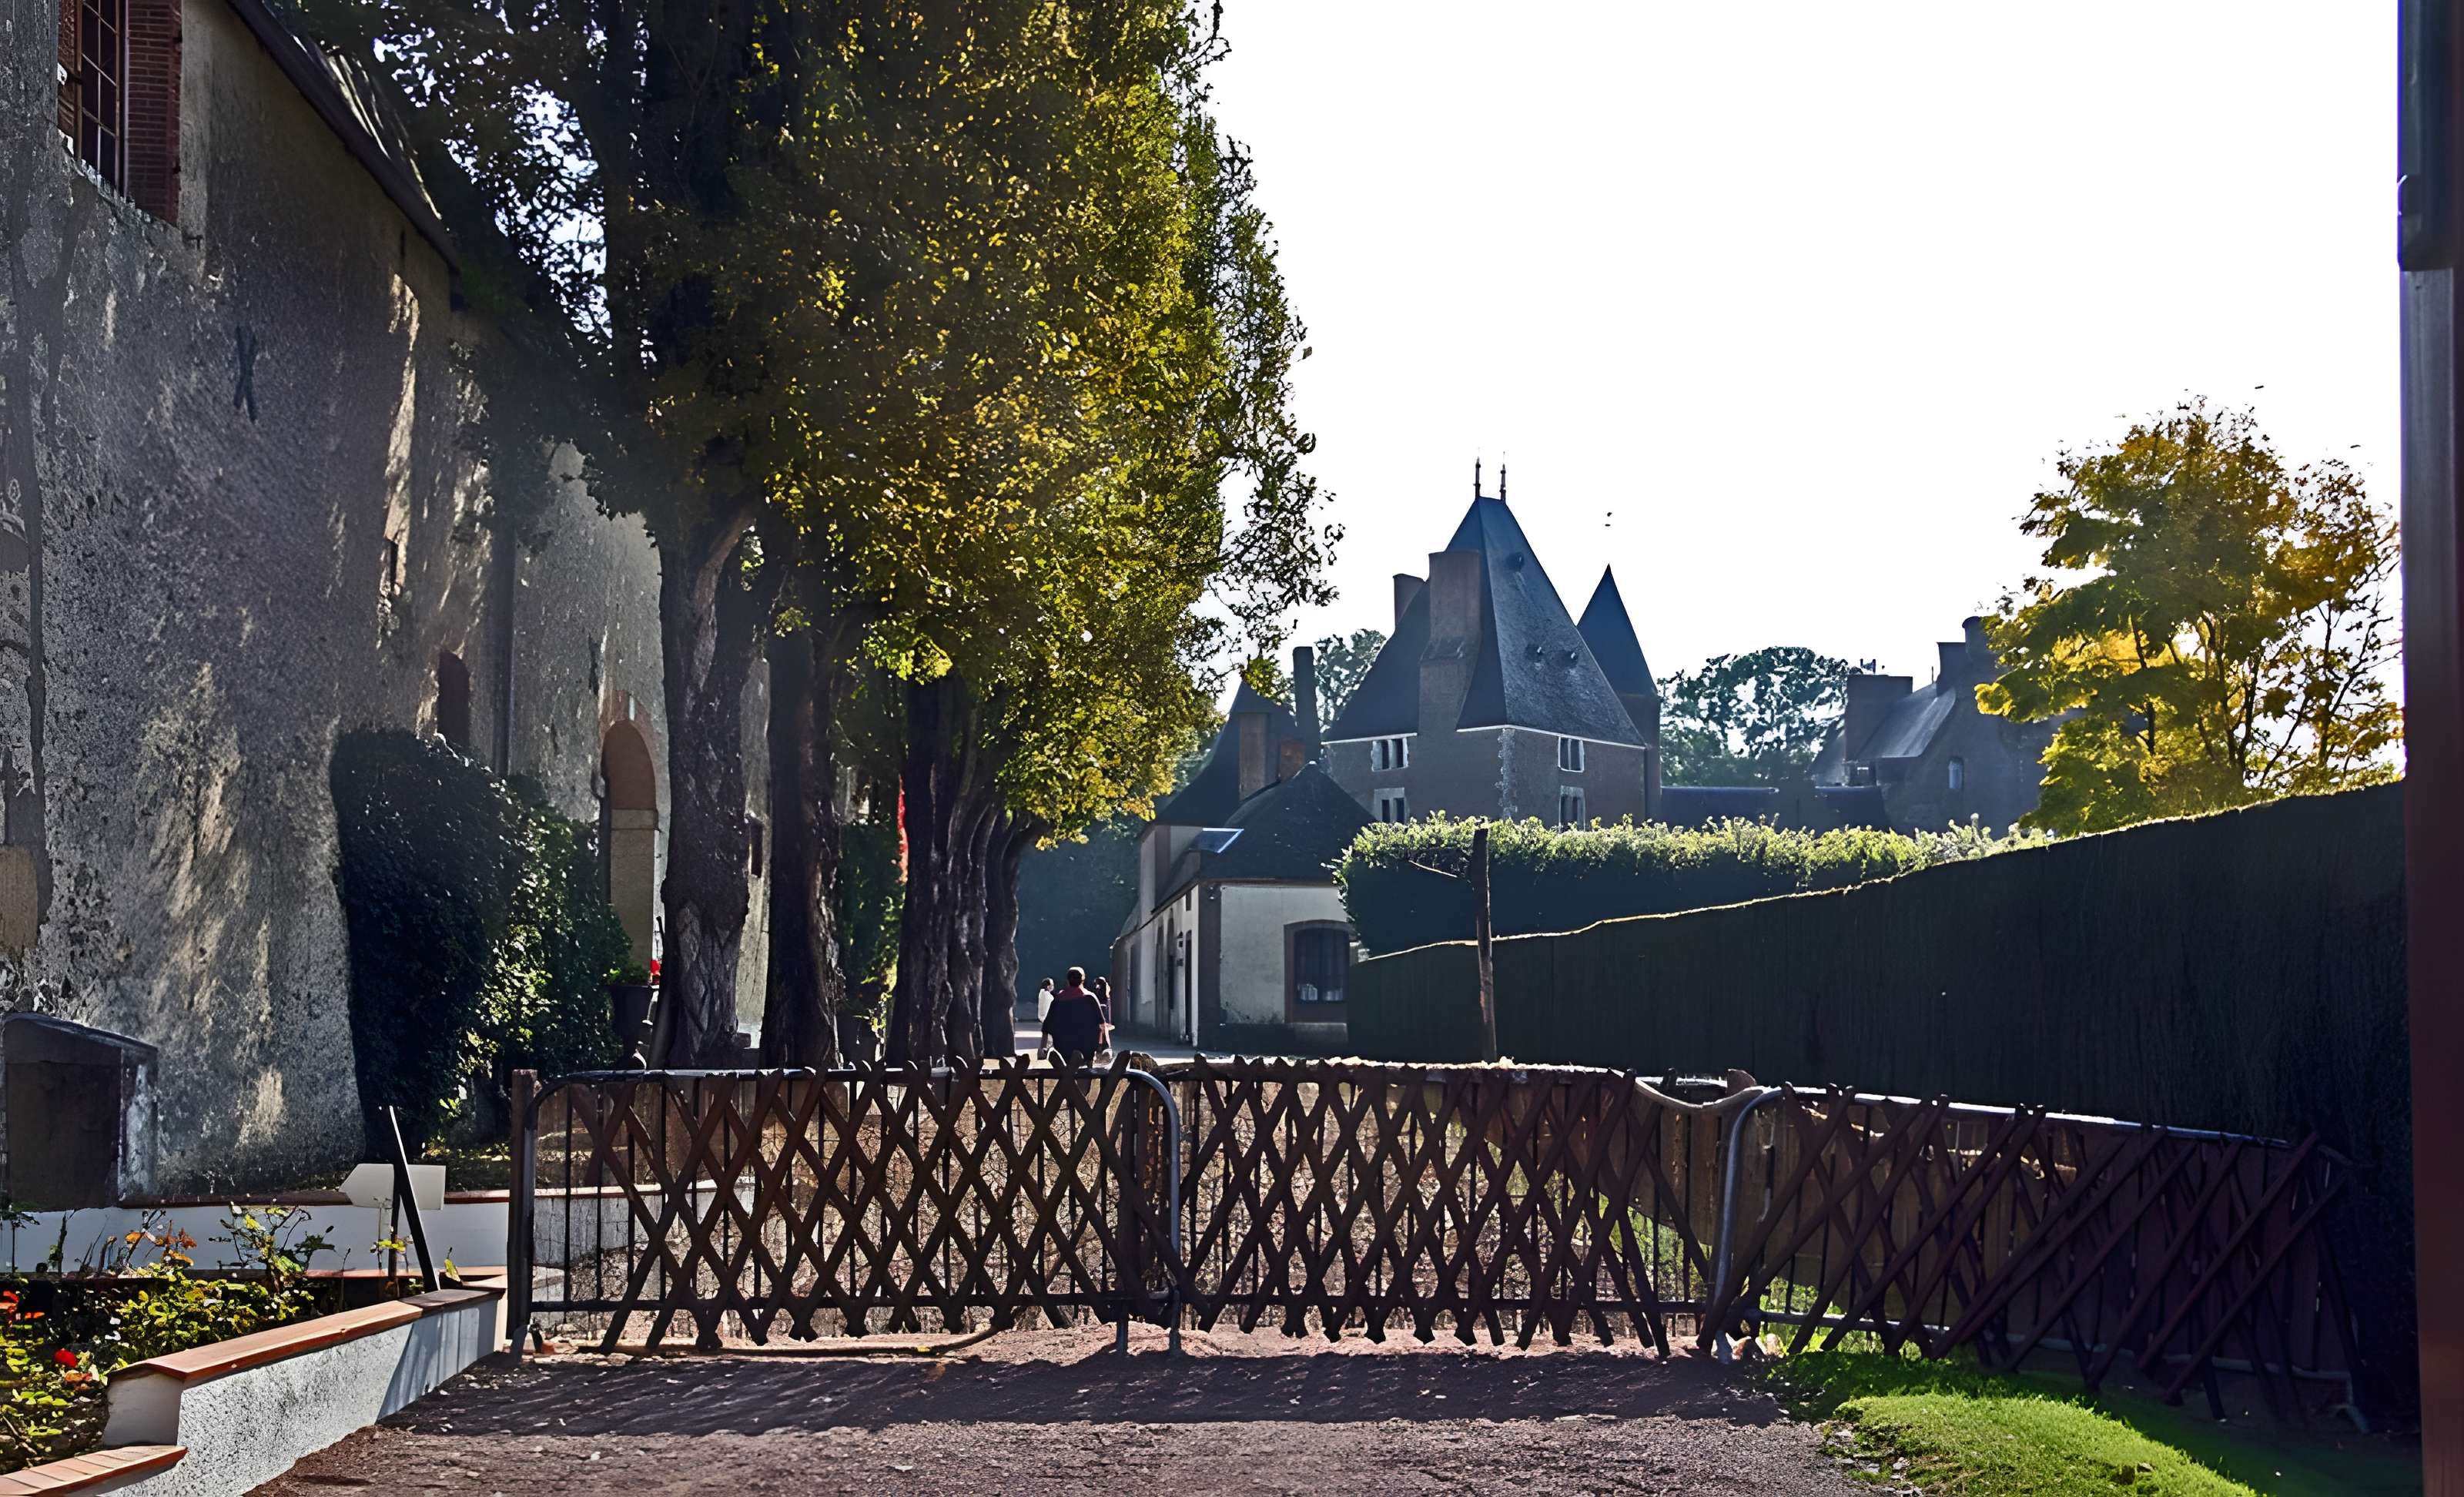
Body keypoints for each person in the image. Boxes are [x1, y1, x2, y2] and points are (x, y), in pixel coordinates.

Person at [1045, 966, 1106, 1068]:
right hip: (1087, 1048)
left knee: (1066, 1072)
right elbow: (1101, 1023)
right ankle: (1084, 1083)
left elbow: (1047, 1025)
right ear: (1083, 980)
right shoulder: (1090, 998)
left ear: (1067, 980)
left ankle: (1068, 1082)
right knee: (1087, 1074)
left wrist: (1043, 1046)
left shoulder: (1058, 1000)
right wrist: (1101, 1045)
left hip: (1064, 1048)